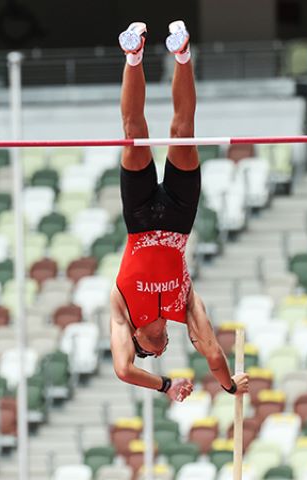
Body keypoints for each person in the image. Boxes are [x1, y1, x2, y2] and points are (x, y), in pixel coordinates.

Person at [110, 20, 249, 403]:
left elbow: (123, 369)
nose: (160, 348)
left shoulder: (122, 310)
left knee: (133, 131)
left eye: (153, 352)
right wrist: (229, 386)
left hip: (138, 219)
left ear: (138, 340)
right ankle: (183, 52)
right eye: (161, 350)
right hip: (178, 217)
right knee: (183, 130)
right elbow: (211, 351)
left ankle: (133, 55)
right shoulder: (184, 308)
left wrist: (164, 384)